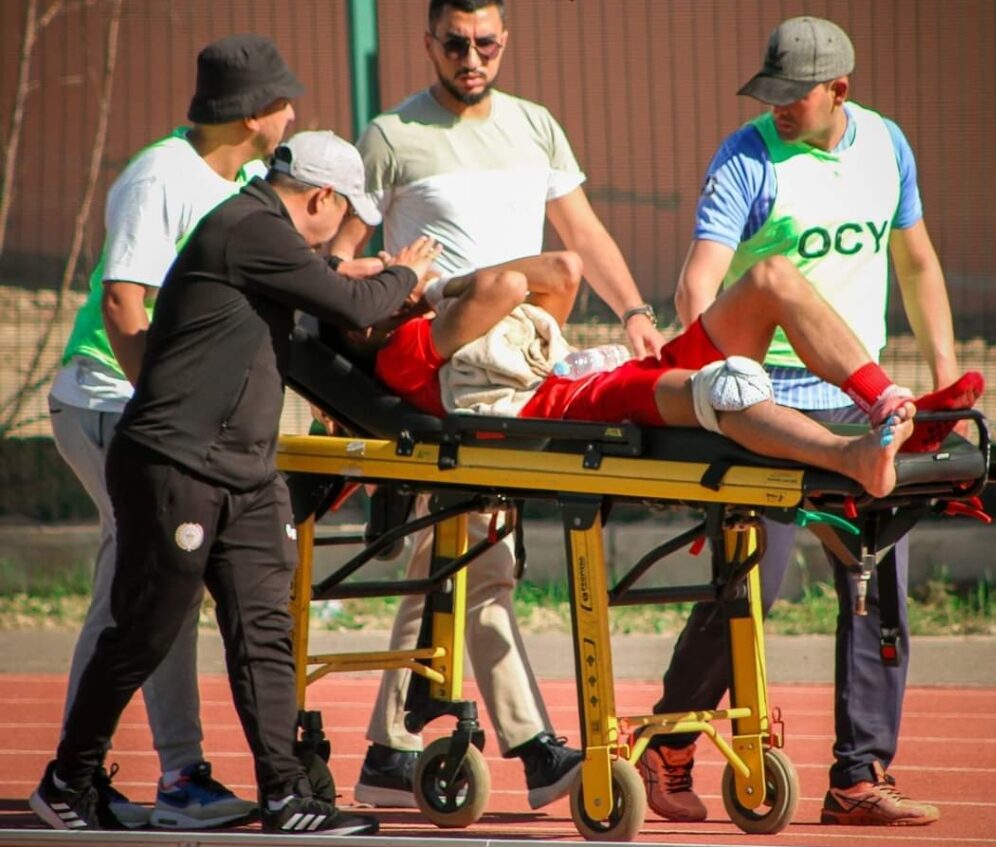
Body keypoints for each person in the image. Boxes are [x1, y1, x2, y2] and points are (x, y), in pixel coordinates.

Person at [29, 131, 438, 836]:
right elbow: (351, 304)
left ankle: (286, 795)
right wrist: (403, 274)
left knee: (264, 630)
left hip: (244, 468)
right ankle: (68, 780)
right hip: (176, 463)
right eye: (345, 214)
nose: (343, 229)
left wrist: (370, 278)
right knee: (146, 628)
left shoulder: (265, 234)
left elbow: (327, 284)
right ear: (322, 198)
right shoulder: (249, 224)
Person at [645, 16, 981, 828]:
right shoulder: (747, 157)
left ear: (840, 90)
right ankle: (672, 741)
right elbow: (698, 286)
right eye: (771, 93)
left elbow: (917, 262)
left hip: (860, 399)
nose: (778, 108)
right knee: (750, 583)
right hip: (767, 400)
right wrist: (721, 387)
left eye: (794, 96)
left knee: (878, 581)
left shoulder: (887, 147)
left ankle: (858, 776)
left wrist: (945, 383)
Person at [329, 0, 664, 811]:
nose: (471, 57)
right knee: (482, 563)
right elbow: (337, 259)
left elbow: (584, 236)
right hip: (450, 365)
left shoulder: (535, 125)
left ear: (504, 41)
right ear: (429, 44)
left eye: (485, 43)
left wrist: (635, 312)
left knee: (443, 563)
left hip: (521, 357)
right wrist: (380, 320)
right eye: (456, 43)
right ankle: (534, 745)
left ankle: (388, 750)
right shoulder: (390, 136)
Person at [45, 33, 304, 829]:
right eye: (283, 101)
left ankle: (88, 777)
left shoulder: (247, 182)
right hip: (114, 401)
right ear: (252, 114)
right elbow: (125, 303)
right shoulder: (159, 177)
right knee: (153, 591)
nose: (294, 113)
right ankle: (162, 775)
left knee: (143, 593)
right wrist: (167, 412)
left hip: (173, 423)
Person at [368, 251, 980, 502]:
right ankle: (854, 458)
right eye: (373, 274)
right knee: (728, 384)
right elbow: (504, 285)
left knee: (771, 277)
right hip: (575, 409)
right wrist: (426, 285)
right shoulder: (401, 350)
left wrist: (416, 285)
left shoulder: (451, 329)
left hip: (613, 375)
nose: (388, 264)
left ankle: (885, 402)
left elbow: (564, 268)